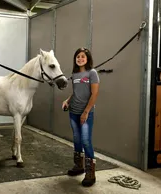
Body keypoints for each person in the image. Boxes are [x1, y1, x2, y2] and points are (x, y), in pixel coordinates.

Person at [62, 47, 99, 187]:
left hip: (86, 114)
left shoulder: (92, 73)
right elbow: (76, 92)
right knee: (77, 139)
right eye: (78, 56)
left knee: (86, 140)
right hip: (73, 112)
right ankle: (79, 166)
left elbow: (94, 94)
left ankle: (90, 174)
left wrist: (86, 112)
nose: (80, 59)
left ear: (87, 58)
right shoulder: (75, 74)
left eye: (83, 56)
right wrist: (67, 101)